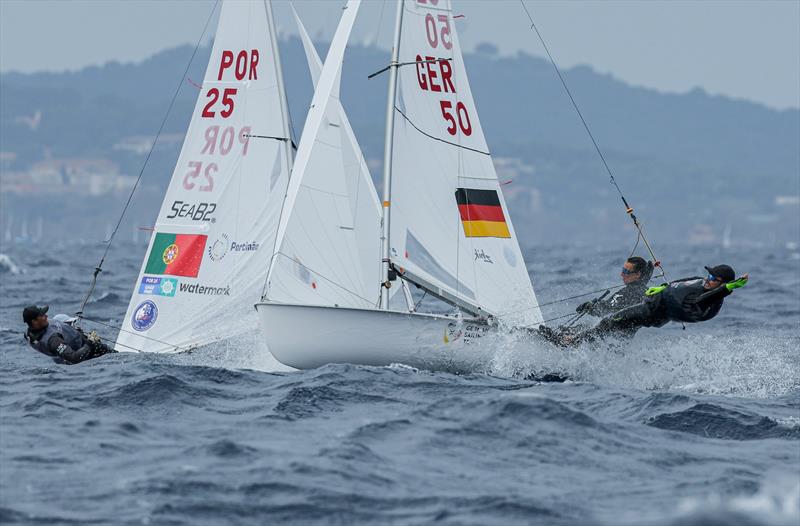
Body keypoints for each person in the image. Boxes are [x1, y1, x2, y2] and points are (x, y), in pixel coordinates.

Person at [539, 264, 748, 346]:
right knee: (615, 330)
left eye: (714, 278)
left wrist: (728, 288)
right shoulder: (700, 281)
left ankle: (571, 342)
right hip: (652, 303)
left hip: (651, 313)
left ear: (722, 284)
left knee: (610, 321)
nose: (709, 278)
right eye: (709, 274)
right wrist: (660, 288)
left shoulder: (711, 300)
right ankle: (575, 339)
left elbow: (703, 299)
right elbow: (676, 284)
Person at [23, 305, 115, 364]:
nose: (46, 316)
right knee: (115, 358)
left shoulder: (30, 331)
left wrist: (70, 328)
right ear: (34, 321)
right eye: (42, 316)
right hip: (90, 354)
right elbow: (74, 358)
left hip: (76, 344)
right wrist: (90, 343)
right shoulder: (54, 340)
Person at [575, 256, 654, 317]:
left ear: (637, 274)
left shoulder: (629, 293)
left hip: (611, 332)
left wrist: (590, 307)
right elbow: (646, 276)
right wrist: (650, 267)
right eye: (623, 270)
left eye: (626, 271)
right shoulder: (643, 287)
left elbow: (606, 310)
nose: (622, 274)